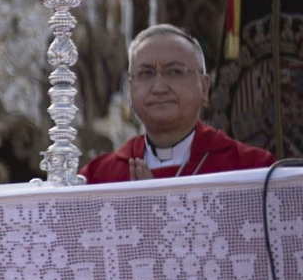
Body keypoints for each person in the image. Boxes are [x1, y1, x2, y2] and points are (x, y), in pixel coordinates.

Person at [81, 23, 274, 181]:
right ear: (131, 90)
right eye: (146, 73)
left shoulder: (252, 170)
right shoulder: (98, 177)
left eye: (175, 71)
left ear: (204, 88)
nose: (159, 87)